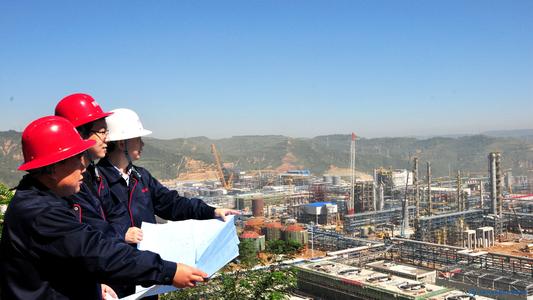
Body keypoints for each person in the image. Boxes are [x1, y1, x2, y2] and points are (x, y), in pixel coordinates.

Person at [0, 116, 207, 300]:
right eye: (76, 159)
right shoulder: (41, 213)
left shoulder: (47, 199)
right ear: (53, 167)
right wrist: (168, 271)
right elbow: (97, 252)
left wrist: (94, 284)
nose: (83, 167)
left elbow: (71, 259)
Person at [97, 108, 239, 297]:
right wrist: (119, 234)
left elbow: (172, 204)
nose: (143, 144)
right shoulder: (96, 181)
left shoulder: (141, 177)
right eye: (138, 139)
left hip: (145, 275)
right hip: (115, 279)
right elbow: (87, 229)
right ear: (122, 143)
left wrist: (211, 211)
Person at [55, 93, 142, 243]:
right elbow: (90, 230)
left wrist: (120, 232)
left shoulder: (95, 175)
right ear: (79, 134)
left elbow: (116, 212)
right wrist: (121, 235)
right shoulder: (68, 183)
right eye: (102, 132)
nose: (107, 138)